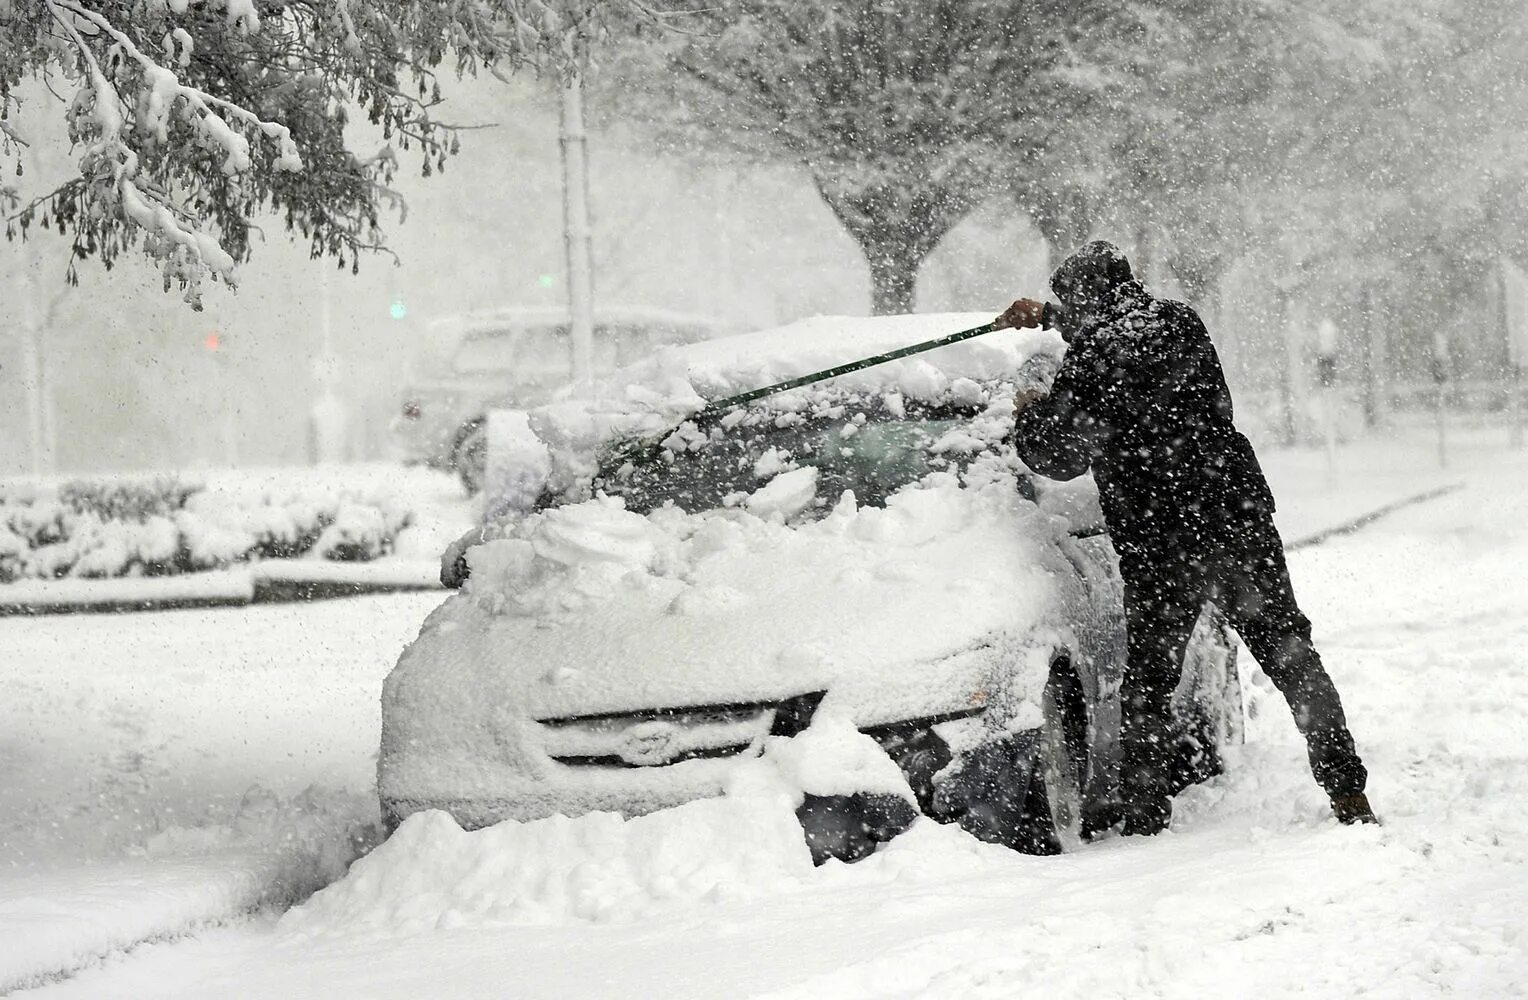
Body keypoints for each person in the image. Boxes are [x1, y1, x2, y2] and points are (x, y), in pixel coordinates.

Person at [996, 240, 1376, 837]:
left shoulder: (1092, 362)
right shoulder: (1180, 322)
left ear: (1086, 301)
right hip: (1236, 520)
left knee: (1150, 681)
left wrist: (1029, 410)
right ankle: (1347, 789)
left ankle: (1145, 813)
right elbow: (1123, 339)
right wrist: (1048, 318)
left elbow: (1058, 456)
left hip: (1160, 542)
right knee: (1290, 654)